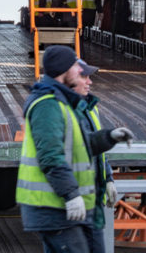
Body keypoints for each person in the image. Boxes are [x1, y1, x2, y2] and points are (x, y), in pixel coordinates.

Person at [16, 45, 134, 253]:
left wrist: (108, 138)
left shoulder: (65, 103)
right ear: (64, 71)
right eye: (75, 67)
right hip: (54, 209)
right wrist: (71, 195)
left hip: (74, 208)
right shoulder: (47, 105)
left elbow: (79, 147)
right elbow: (51, 157)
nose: (82, 73)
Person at [70, 59, 119, 253]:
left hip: (91, 202)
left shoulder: (90, 108)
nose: (90, 82)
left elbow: (98, 152)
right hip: (73, 205)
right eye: (84, 77)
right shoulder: (62, 112)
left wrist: (108, 178)